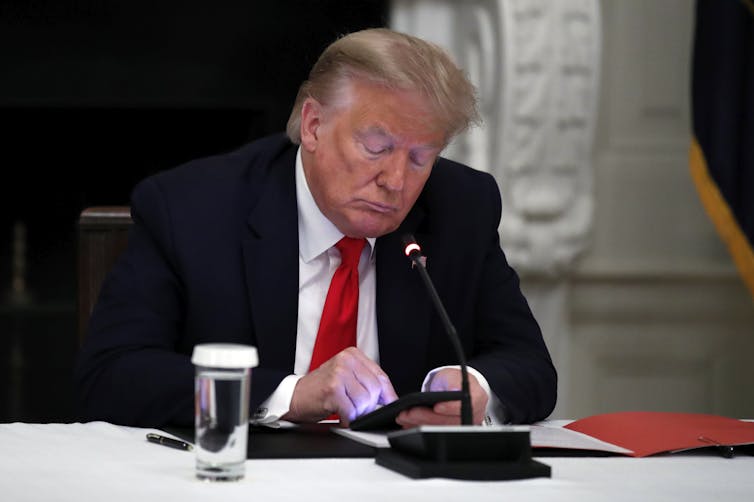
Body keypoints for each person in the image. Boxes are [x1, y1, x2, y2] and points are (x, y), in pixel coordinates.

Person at [74, 28, 557, 429]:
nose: (396, 181)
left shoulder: (460, 208)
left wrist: (474, 387)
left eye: (419, 157)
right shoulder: (193, 208)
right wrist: (289, 394)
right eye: (376, 146)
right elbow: (112, 375)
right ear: (313, 125)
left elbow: (530, 365)